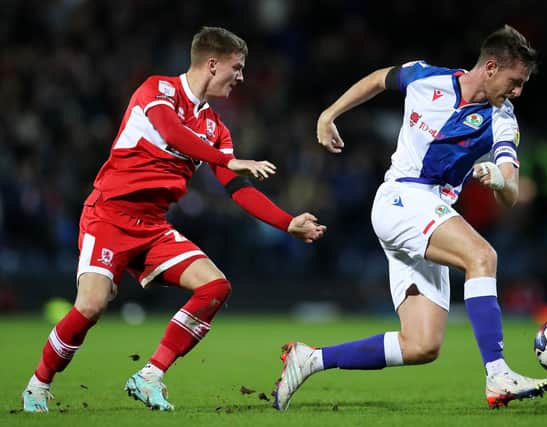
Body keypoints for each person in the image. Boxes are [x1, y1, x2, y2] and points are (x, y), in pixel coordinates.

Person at [21, 26, 326, 413]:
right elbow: (171, 131)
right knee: (91, 306)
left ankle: (150, 376)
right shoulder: (157, 90)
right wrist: (226, 159)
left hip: (152, 227)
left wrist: (287, 223)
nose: (241, 77)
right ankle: (37, 385)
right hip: (109, 217)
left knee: (215, 286)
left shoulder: (216, 127)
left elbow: (237, 187)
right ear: (212, 63)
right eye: (237, 67)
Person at [273, 25, 547, 410]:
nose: (518, 92)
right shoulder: (426, 77)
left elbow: (511, 193)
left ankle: (310, 359)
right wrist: (329, 114)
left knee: (421, 345)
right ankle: (498, 372)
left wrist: (499, 178)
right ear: (490, 67)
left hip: (430, 212)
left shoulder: (502, 119)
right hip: (402, 197)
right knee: (482, 257)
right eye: (515, 81)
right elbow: (377, 79)